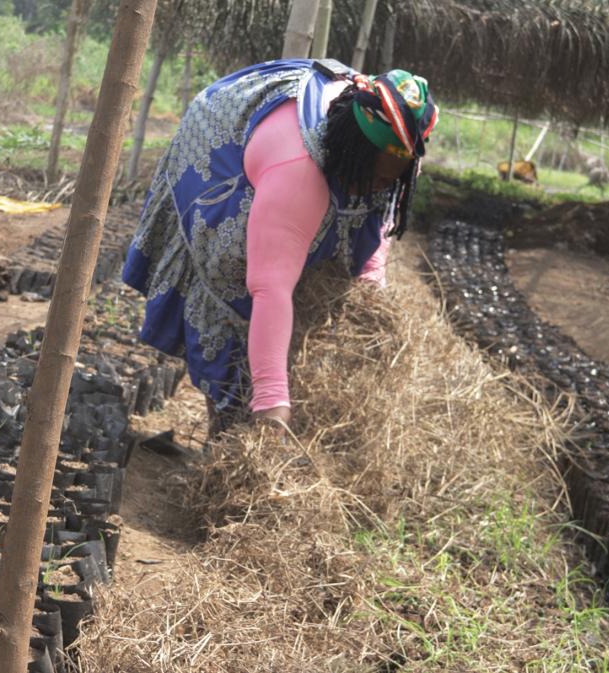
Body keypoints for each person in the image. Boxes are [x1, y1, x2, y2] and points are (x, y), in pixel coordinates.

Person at [122, 58, 438, 434]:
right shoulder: (298, 171)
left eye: (390, 179)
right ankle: (227, 425)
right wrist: (272, 406)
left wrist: (370, 284)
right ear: (351, 153)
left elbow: (381, 215)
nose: (380, 186)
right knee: (236, 285)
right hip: (221, 151)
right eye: (374, 177)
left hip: (301, 162)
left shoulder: (399, 149)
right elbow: (269, 289)